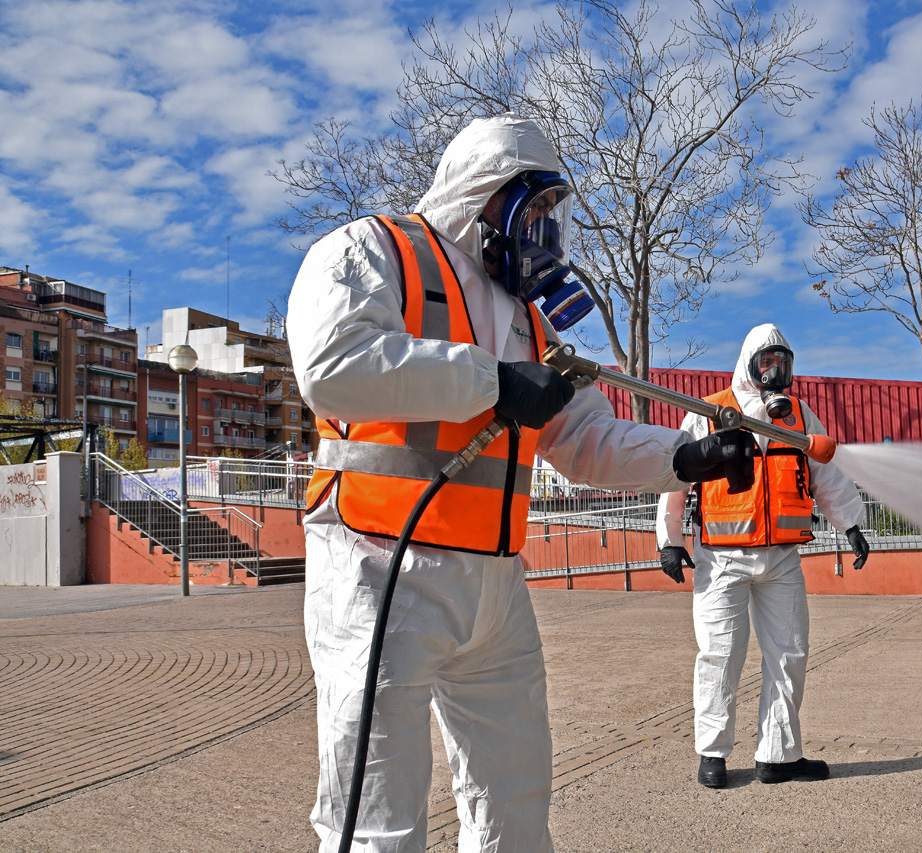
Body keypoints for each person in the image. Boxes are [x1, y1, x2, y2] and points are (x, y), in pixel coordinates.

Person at [286, 113, 752, 853]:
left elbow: (586, 438)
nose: (546, 229)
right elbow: (333, 364)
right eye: (535, 209)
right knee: (377, 816)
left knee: (515, 800)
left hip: (494, 587)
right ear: (485, 195)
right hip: (379, 570)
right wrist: (490, 382)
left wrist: (684, 457)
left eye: (552, 213)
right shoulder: (371, 250)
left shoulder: (530, 324)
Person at [655, 323, 871, 789]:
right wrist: (669, 540)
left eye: (783, 363)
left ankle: (779, 756)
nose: (775, 371)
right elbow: (676, 474)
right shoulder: (709, 412)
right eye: (767, 362)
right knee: (720, 656)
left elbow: (824, 472)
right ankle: (712, 753)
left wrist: (851, 523)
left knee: (789, 654)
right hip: (722, 560)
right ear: (750, 364)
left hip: (782, 561)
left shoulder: (796, 415)